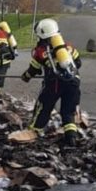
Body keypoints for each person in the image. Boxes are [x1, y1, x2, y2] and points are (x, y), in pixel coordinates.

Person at [21, 18, 82, 146]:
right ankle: (71, 138)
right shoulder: (67, 46)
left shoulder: (41, 51)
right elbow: (78, 63)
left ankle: (33, 132)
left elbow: (33, 69)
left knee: (43, 106)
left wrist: (26, 76)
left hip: (54, 84)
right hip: (74, 82)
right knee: (68, 112)